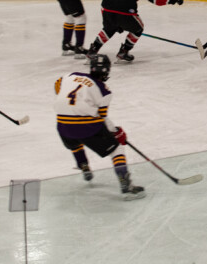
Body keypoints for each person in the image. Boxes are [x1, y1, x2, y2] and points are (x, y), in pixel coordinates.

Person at [53, 54, 145, 200]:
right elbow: (101, 117)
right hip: (86, 127)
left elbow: (57, 85)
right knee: (117, 149)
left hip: (63, 125)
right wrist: (116, 132)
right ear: (107, 71)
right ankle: (126, 185)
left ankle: (83, 164)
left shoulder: (71, 75)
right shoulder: (104, 90)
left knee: (74, 140)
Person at [87, 0, 184, 63]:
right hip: (125, 12)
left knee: (108, 29)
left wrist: (110, 22)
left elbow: (104, 4)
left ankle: (93, 50)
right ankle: (123, 52)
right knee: (138, 29)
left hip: (107, 11)